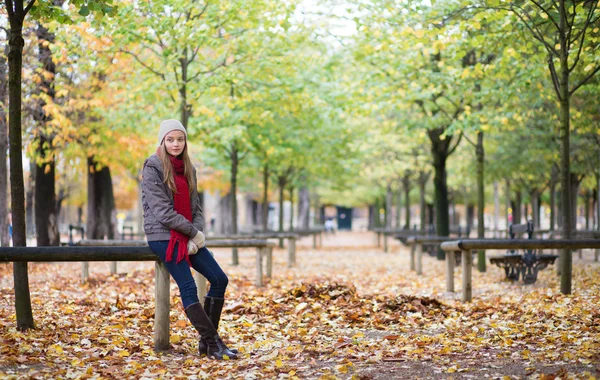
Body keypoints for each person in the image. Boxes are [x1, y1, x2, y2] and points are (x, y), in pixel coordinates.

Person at [142, 119, 237, 360]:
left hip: (188, 236)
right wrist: (193, 234)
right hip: (164, 236)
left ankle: (207, 344)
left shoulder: (188, 168)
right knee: (188, 287)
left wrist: (197, 235)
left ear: (185, 142)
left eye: (180, 139)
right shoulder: (152, 166)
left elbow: (196, 208)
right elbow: (163, 212)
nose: (176, 144)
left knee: (219, 279)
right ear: (162, 141)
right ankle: (214, 343)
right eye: (170, 139)